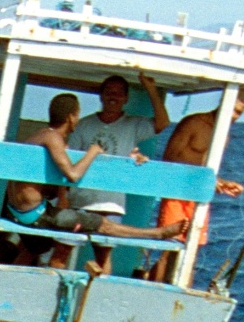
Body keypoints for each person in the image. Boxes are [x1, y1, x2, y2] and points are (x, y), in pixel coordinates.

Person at [3, 94, 186, 271]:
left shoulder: (40, 136)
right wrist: (93, 151)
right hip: (36, 214)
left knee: (37, 247)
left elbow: (46, 186)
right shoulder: (53, 138)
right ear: (71, 117)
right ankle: (158, 233)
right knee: (103, 225)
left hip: (20, 210)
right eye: (77, 114)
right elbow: (73, 175)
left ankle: (10, 279)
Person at [150, 86, 244, 282]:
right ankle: (154, 289)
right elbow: (169, 159)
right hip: (177, 193)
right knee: (169, 249)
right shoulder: (193, 123)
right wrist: (202, 179)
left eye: (239, 113)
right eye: (233, 110)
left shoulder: (224, 135)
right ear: (224, 103)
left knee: (191, 253)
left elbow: (207, 170)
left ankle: (182, 294)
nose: (234, 116)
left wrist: (221, 183)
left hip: (198, 197)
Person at [68, 72, 170, 230]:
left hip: (112, 202)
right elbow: (70, 161)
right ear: (101, 96)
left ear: (126, 98)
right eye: (109, 92)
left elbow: (163, 123)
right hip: (81, 200)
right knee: (63, 249)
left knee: (104, 253)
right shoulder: (83, 124)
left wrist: (150, 88)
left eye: (119, 93)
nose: (113, 97)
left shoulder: (133, 125)